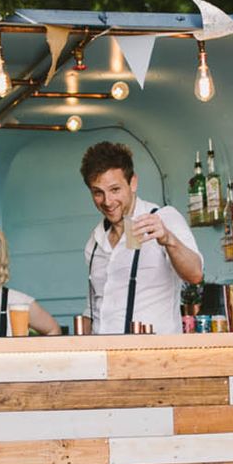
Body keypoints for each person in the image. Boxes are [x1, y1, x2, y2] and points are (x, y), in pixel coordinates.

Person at [80, 141, 203, 335]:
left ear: (133, 182)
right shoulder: (94, 241)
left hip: (154, 351)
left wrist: (169, 239)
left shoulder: (164, 218)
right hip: (103, 351)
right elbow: (94, 309)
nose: (108, 201)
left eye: (115, 189)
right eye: (98, 193)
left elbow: (195, 274)